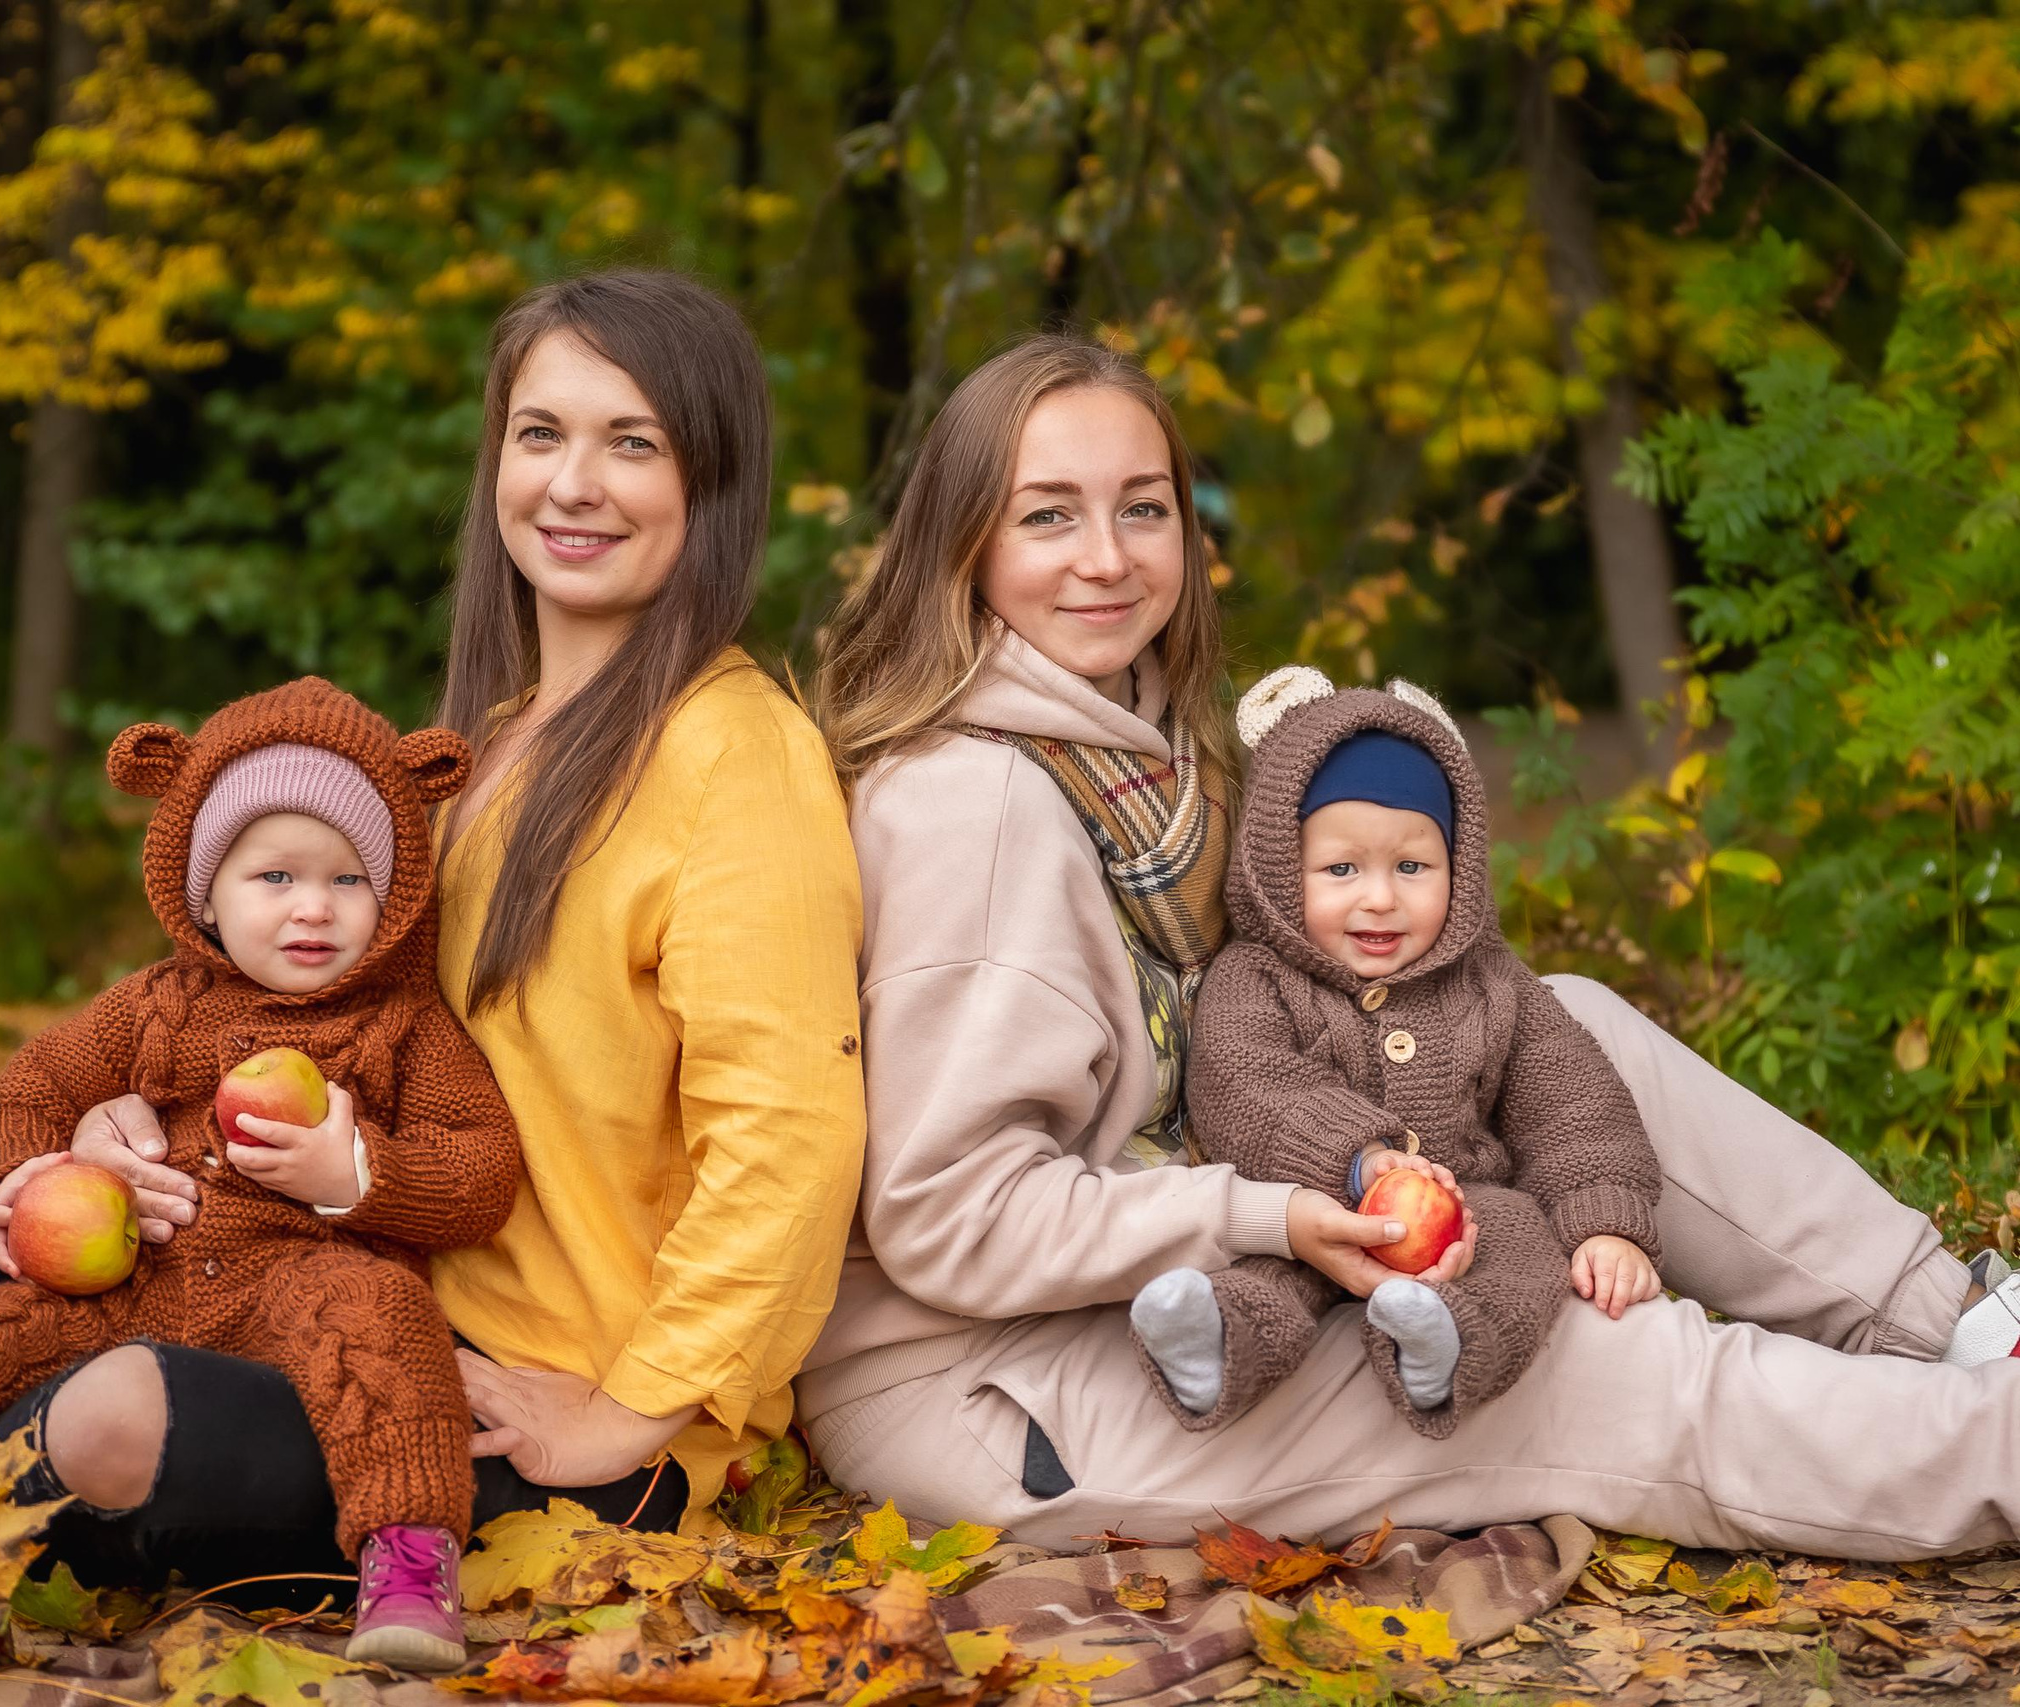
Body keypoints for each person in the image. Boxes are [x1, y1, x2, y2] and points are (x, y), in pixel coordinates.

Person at [0, 271, 864, 1591]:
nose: (573, 480)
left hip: (539, 1401)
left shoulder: (738, 757)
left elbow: (789, 1138)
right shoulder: (490, 748)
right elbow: (319, 1019)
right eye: (540, 431)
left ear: (714, 477)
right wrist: (133, 1108)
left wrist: (632, 1412)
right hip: (307, 1266)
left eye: (634, 442)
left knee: (107, 1415)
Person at [803, 330, 2020, 1559]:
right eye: (1048, 518)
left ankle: (1963, 1321)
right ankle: (1995, 1453)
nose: (1108, 559)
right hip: (998, 1380)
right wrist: (1272, 1218)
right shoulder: (978, 803)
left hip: (1175, 1252)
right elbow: (950, 1214)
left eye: (1144, 508)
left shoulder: (1153, 758)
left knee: (1557, 1025)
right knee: (1585, 1360)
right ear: (963, 544)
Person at [0, 677, 515, 1672]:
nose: (314, 908)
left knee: (384, 1320)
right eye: (274, 879)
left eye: (349, 881)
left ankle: (407, 1560)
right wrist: (30, 1177)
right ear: (203, 893)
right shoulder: (154, 1006)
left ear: (394, 900)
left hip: (303, 1278)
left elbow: (480, 1170)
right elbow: (28, 1087)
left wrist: (353, 1169)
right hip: (132, 1275)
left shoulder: (406, 1029)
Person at [1132, 668, 1661, 1440]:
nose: (1379, 897)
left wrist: (1603, 1222)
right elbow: (1245, 1084)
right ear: (1283, 872)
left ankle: (1441, 1343)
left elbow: (1573, 1103)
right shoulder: (1254, 978)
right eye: (1342, 869)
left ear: (1460, 869)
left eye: (1412, 867)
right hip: (1304, 1210)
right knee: (1261, 1270)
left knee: (1521, 1253)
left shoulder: (1491, 982)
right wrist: (1359, 1160)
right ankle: (1212, 1340)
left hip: (1466, 1218)